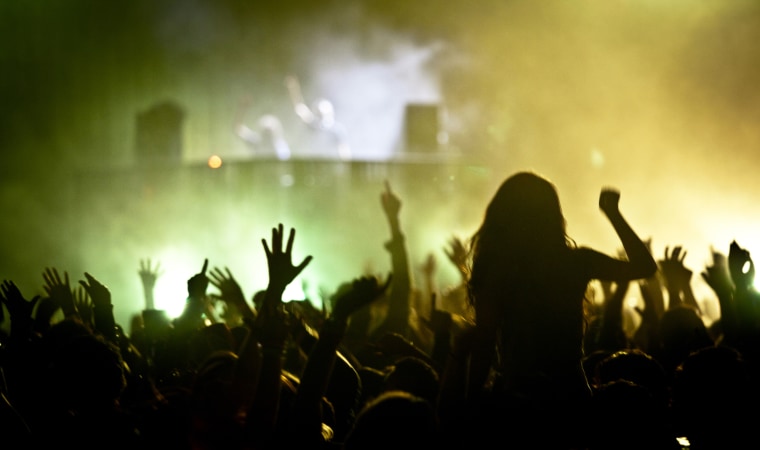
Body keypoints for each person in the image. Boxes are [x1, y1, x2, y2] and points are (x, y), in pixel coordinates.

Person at [464, 171, 657, 447]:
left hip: (516, 395)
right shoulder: (575, 263)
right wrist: (613, 213)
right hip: (570, 394)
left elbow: (484, 340)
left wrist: (472, 402)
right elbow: (645, 267)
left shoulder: (496, 271)